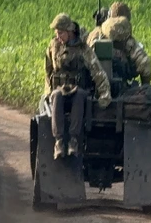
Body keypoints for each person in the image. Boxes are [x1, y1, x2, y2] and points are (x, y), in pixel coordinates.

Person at [44, 13, 112, 159]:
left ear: (69, 32)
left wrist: (105, 94)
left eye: (60, 33)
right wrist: (48, 91)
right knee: (56, 96)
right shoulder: (53, 45)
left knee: (80, 96)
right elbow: (48, 70)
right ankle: (60, 142)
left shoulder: (83, 49)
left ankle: (74, 140)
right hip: (59, 90)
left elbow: (97, 72)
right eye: (56, 33)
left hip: (78, 90)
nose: (58, 37)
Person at [86, 1, 151, 87]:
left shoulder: (95, 34)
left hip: (94, 84)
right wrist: (145, 85)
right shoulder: (127, 40)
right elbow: (144, 63)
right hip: (121, 86)